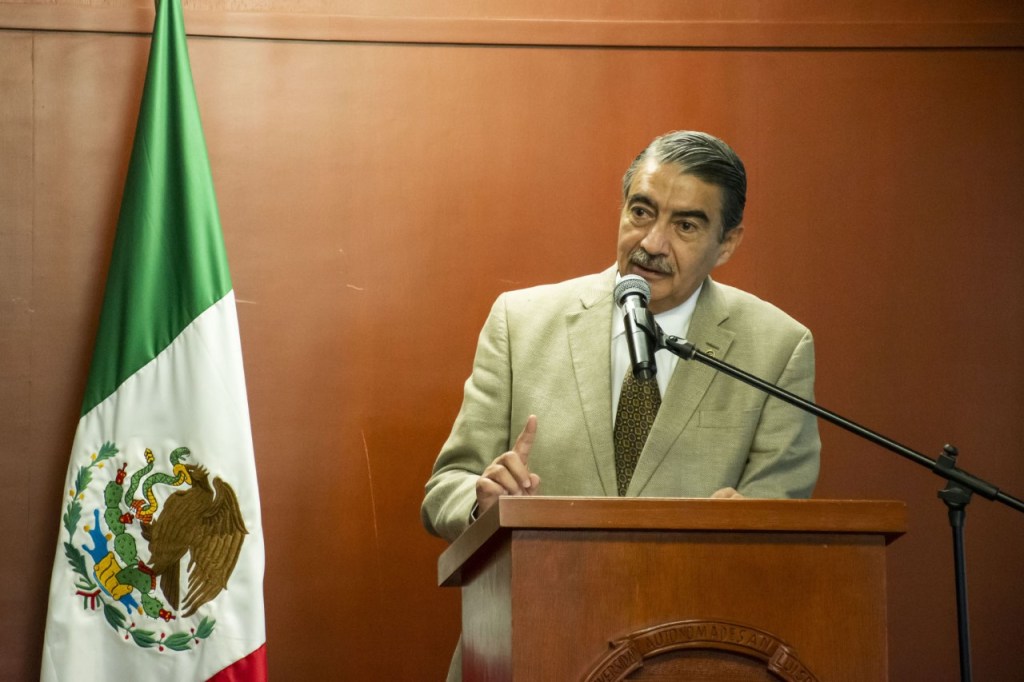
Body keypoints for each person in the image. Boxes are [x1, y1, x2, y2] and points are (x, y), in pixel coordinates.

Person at [421, 130, 821, 679]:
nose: (652, 242)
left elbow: (779, 523)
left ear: (727, 243)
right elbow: (444, 488)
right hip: (530, 645)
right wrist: (481, 501)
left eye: (686, 225)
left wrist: (746, 526)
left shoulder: (777, 347)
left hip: (688, 655)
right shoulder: (520, 322)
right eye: (641, 211)